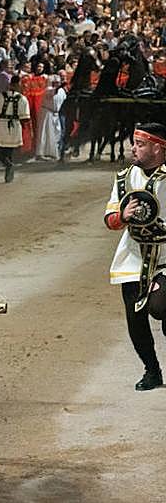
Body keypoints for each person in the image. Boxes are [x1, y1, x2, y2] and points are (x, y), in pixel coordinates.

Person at [107, 124, 166, 391]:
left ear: (158, 147)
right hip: (132, 257)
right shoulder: (124, 178)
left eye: (140, 144)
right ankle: (152, 371)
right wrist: (123, 216)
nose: (133, 148)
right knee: (135, 318)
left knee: (159, 307)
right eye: (134, 143)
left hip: (165, 257)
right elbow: (110, 220)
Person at [0, 74, 29, 183]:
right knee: (8, 151)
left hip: (3, 124)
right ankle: (9, 165)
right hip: (14, 126)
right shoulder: (22, 99)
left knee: (0, 150)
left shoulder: (0, 96)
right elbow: (25, 118)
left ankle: (9, 167)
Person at [34, 75, 65, 162]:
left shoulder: (62, 91)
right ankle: (40, 153)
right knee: (44, 133)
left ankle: (52, 152)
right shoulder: (48, 90)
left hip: (56, 114)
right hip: (47, 113)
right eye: (56, 83)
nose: (57, 84)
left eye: (58, 83)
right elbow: (53, 92)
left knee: (56, 134)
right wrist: (60, 87)